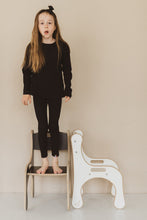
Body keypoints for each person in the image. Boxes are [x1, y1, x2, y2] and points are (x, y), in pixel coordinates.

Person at [21, 5, 72, 174]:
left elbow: (67, 70)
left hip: (56, 92)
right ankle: (44, 162)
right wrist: (26, 92)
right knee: (42, 125)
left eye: (49, 23)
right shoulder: (32, 47)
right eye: (42, 23)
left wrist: (68, 90)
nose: (46, 26)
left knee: (54, 124)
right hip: (39, 94)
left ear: (55, 26)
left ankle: (55, 161)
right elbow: (26, 71)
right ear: (37, 26)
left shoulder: (62, 47)